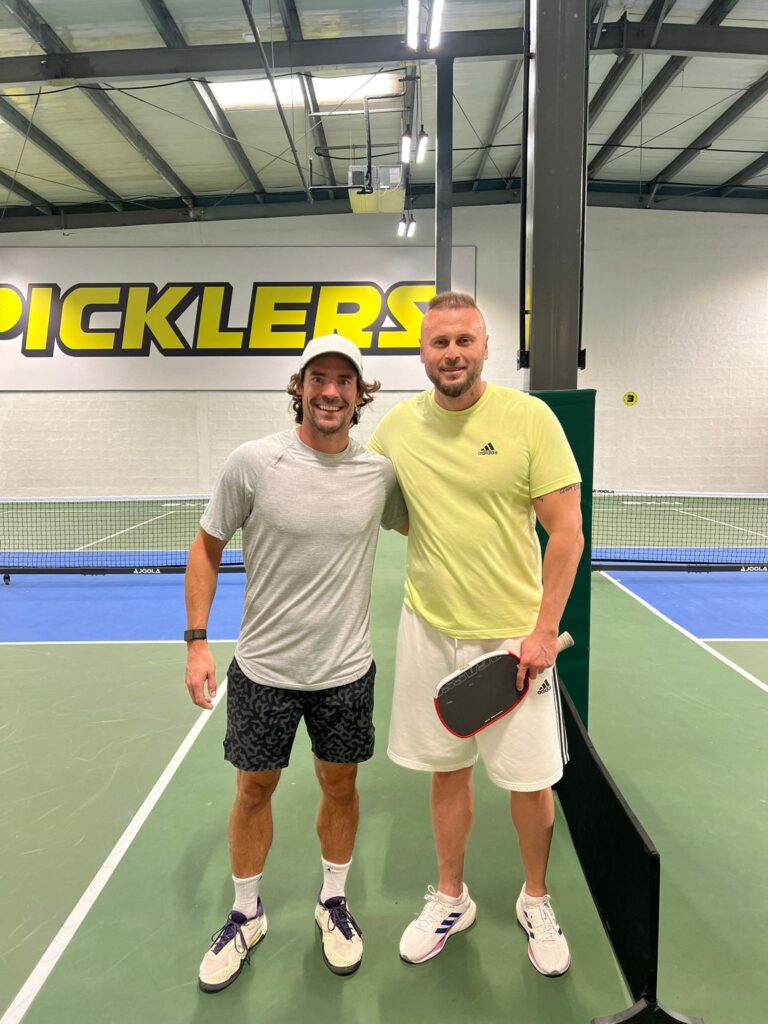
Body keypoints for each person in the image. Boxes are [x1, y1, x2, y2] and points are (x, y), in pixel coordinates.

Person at [368, 291, 583, 977]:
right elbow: (382, 506)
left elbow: (567, 532)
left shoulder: (529, 418)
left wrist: (544, 632)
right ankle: (450, 897)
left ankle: (535, 898)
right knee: (447, 770)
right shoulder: (398, 428)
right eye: (440, 342)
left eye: (465, 340)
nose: (452, 353)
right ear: (422, 353)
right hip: (429, 628)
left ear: (487, 347)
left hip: (514, 640)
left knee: (531, 783)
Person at [184, 335, 407, 991]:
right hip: (263, 672)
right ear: (300, 387)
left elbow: (432, 525)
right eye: (319, 378)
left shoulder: (379, 475)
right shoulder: (253, 462)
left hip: (345, 672)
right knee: (253, 790)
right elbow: (206, 546)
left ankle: (332, 900)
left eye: (344, 381)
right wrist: (197, 640)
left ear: (360, 394)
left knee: (340, 787)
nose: (330, 391)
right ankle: (245, 913)